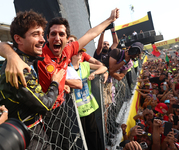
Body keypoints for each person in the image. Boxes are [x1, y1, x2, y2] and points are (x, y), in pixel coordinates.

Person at [0, 8, 119, 149]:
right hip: (43, 115)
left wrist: (110, 20)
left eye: (61, 34)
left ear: (66, 39)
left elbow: (90, 34)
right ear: (48, 37)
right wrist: (11, 55)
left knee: (68, 142)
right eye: (53, 34)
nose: (57, 38)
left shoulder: (67, 51)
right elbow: (6, 45)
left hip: (62, 108)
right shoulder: (39, 54)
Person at [0, 10, 65, 149]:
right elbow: (46, 104)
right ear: (18, 39)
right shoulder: (19, 68)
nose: (42, 39)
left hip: (30, 132)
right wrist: (55, 82)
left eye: (42, 34)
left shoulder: (25, 59)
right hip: (28, 137)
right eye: (36, 34)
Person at [70, 49, 107, 150]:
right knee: (82, 138)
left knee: (93, 134)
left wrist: (94, 73)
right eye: (77, 51)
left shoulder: (85, 65)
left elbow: (103, 67)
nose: (80, 53)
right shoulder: (67, 68)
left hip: (89, 107)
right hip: (76, 111)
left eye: (81, 51)